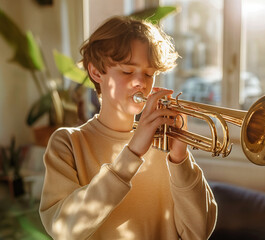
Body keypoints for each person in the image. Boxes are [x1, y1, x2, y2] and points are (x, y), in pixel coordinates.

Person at [39, 16, 217, 240]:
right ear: (96, 73)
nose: (140, 82)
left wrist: (181, 159)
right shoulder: (67, 143)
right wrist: (132, 153)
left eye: (149, 73)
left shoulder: (165, 145)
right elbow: (63, 231)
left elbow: (198, 232)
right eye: (127, 71)